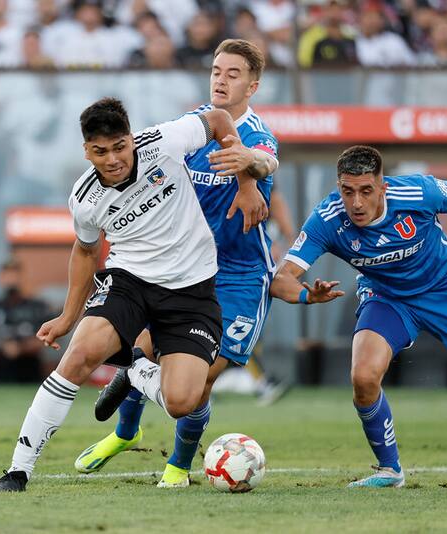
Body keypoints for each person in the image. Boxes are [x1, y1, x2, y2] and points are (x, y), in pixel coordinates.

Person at [0, 96, 269, 492]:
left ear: (131, 140)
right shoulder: (84, 199)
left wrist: (247, 182)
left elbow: (220, 119)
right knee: (78, 356)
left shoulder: (165, 141)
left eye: (120, 147)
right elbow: (85, 251)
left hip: (192, 290)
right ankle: (17, 472)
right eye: (100, 152)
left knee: (182, 402)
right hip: (129, 281)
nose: (113, 159)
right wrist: (68, 317)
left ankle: (135, 371)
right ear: (87, 151)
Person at [74, 39, 284, 488]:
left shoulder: (258, 134)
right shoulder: (193, 127)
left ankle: (178, 465)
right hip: (182, 269)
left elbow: (267, 160)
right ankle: (126, 432)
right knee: (145, 347)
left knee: (200, 378)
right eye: (216, 71)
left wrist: (249, 172)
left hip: (240, 275)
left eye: (232, 74)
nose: (221, 80)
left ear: (253, 84)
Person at [270, 145, 447, 487]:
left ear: (382, 187)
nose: (356, 203)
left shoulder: (418, 192)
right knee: (364, 377)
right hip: (388, 299)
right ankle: (390, 470)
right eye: (347, 191)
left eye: (366, 191)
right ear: (339, 186)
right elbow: (280, 279)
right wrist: (308, 295)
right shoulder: (328, 219)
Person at [0, 257, 50, 383]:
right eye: (7, 274)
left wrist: (21, 348)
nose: (11, 278)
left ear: (22, 277)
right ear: (0, 278)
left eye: (14, 274)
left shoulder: (37, 306)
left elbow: (50, 337)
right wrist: (3, 345)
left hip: (32, 372)